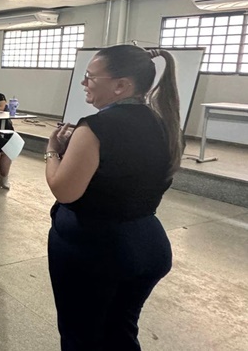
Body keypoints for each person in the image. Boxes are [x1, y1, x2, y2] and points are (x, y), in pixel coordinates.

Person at [45, 45, 182, 350]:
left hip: (96, 249)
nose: (84, 83)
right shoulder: (163, 123)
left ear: (121, 85)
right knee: (120, 332)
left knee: (80, 335)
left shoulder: (95, 127)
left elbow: (64, 189)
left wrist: (53, 150)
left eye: (91, 77)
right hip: (148, 244)